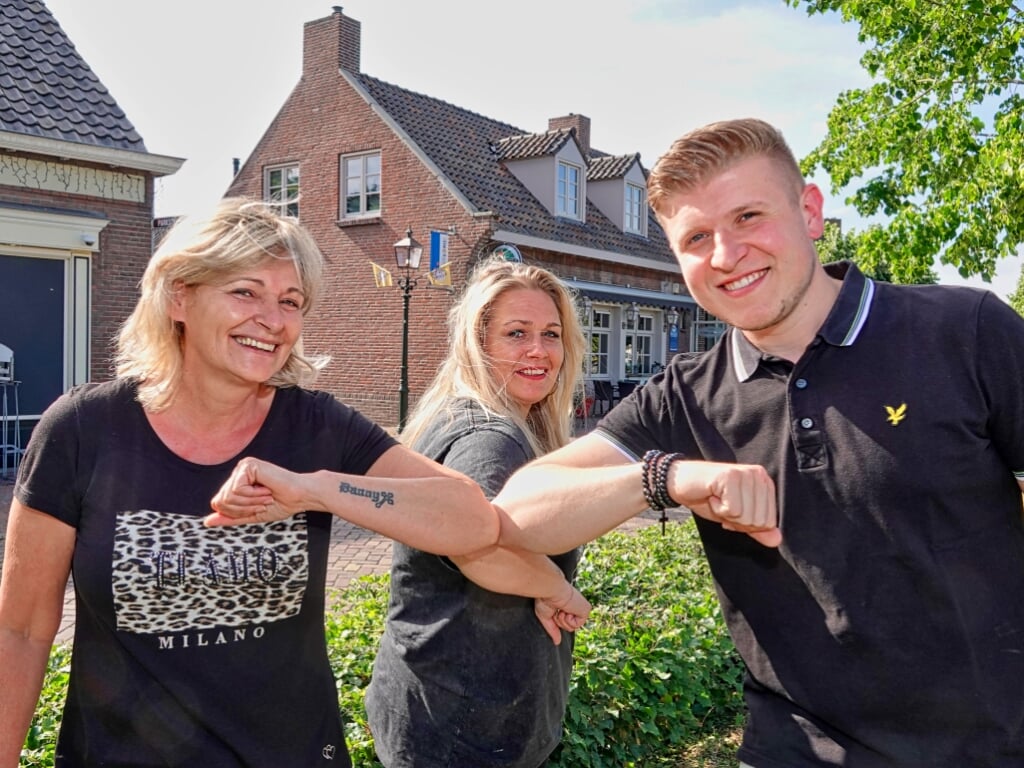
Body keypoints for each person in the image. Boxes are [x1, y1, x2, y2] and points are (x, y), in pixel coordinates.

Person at [492, 118, 1024, 767]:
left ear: (810, 210)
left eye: (748, 216)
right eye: (695, 238)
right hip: (791, 749)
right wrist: (668, 479)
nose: (725, 255)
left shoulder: (964, 331)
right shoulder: (686, 394)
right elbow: (518, 512)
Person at [0, 198, 504, 768]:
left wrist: (316, 489)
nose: (273, 318)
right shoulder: (82, 430)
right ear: (179, 296)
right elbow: (20, 629)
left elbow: (471, 517)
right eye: (245, 292)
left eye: (290, 301)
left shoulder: (317, 426)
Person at [363, 256, 588, 768]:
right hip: (464, 732)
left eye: (551, 334)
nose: (539, 350)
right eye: (516, 333)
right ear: (479, 343)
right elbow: (478, 547)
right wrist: (562, 591)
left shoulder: (469, 417)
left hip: (437, 712)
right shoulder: (491, 439)